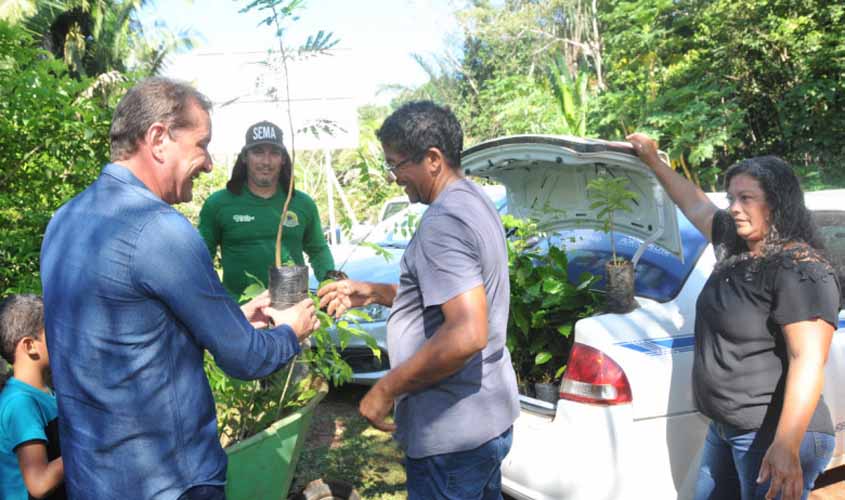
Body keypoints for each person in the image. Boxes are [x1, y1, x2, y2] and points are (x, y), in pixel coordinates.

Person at [39, 77, 319, 500]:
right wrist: (290, 330)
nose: (208, 163)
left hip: (94, 478)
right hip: (169, 481)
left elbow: (126, 335)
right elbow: (245, 359)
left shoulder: (64, 221)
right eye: (202, 144)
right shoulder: (160, 230)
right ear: (158, 139)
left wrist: (229, 320)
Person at [317, 101, 519, 500]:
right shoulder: (474, 200)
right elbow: (452, 299)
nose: (394, 179)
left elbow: (467, 332)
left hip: (451, 434)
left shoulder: (444, 221)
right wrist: (376, 292)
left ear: (432, 158)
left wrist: (386, 389)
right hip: (485, 419)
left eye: (397, 165)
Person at [627, 133, 838, 500]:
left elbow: (807, 361)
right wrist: (652, 160)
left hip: (774, 435)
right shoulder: (738, 246)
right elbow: (696, 206)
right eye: (731, 198)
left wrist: (786, 446)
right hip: (726, 428)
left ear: (776, 204)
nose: (734, 208)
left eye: (746, 198)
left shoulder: (801, 269)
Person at [198, 121, 335, 300]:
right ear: (245, 157)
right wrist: (217, 300)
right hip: (240, 317)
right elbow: (201, 259)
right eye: (258, 152)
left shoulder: (302, 204)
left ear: (283, 158)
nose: (266, 161)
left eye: (274, 153)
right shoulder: (218, 204)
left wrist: (330, 283)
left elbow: (318, 250)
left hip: (292, 310)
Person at [0, 294, 65, 500]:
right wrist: (88, 446)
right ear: (29, 346)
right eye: (53, 331)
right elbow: (39, 483)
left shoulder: (46, 391)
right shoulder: (21, 403)